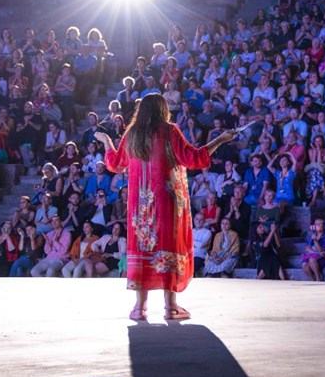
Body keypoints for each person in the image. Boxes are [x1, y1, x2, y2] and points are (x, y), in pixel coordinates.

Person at [98, 93, 237, 322]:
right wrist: (220, 140)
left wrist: (106, 142)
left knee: (143, 248)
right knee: (167, 245)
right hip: (166, 203)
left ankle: (139, 307)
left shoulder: (133, 133)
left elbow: (114, 164)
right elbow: (193, 158)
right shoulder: (169, 130)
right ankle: (170, 306)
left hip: (139, 205)